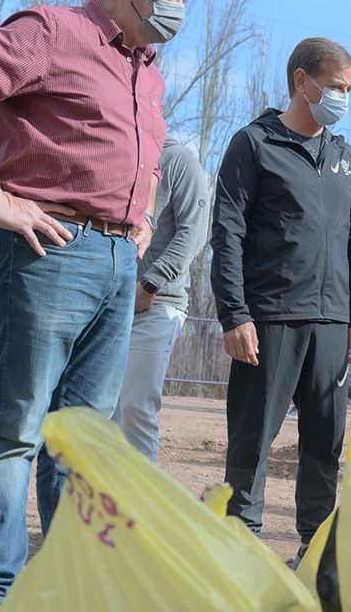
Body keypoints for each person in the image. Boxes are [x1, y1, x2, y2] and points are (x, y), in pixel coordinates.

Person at [0, 0, 189, 606]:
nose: (181, 10)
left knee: (85, 438)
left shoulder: (146, 67)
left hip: (118, 260)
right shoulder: (51, 31)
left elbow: (143, 154)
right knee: (16, 425)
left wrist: (140, 215)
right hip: (49, 253)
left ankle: (67, 579)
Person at [211, 36, 351, 562]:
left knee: (324, 444)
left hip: (331, 324)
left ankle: (315, 549)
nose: (343, 97)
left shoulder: (344, 158)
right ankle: (240, 549)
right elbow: (228, 233)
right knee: (253, 441)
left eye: (349, 89)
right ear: (301, 81)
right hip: (270, 319)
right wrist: (235, 313)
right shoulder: (254, 144)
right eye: (334, 87)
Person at [112, 137, 208, 461]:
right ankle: (105, 503)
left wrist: (151, 282)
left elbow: (194, 231)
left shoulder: (179, 160)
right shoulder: (122, 155)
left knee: (136, 405)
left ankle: (141, 506)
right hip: (112, 300)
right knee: (105, 408)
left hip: (159, 302)